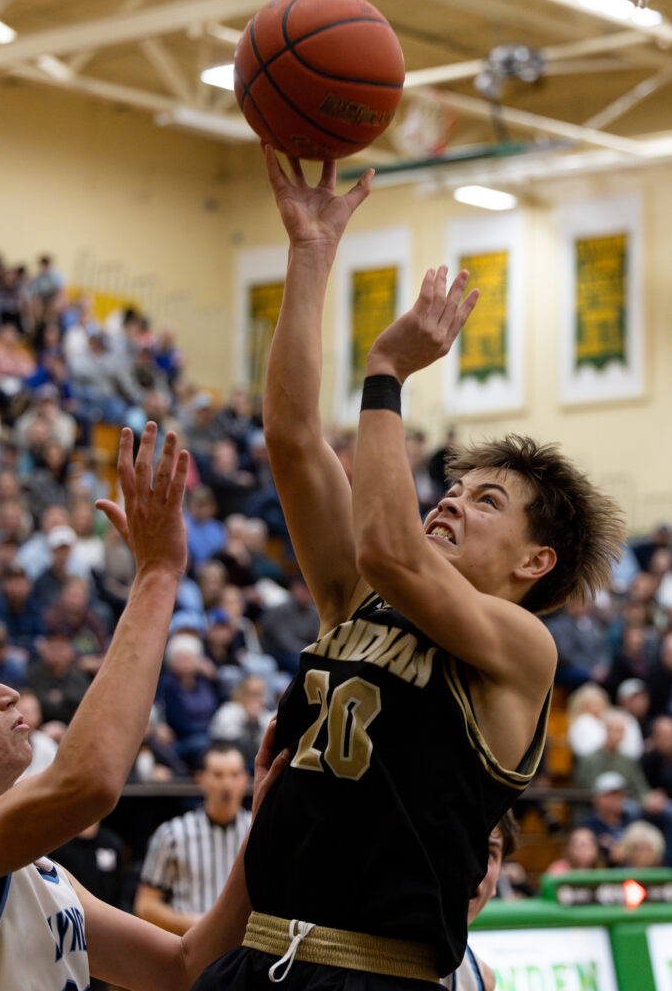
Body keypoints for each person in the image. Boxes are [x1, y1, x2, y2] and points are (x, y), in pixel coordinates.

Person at [193, 148, 625, 990]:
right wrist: (310, 255)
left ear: (537, 562)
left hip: (377, 974)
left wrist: (386, 373)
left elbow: (391, 550)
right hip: (257, 956)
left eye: (488, 500)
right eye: (454, 487)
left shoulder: (520, 650)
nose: (452, 502)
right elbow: (288, 438)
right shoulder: (359, 596)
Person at [0, 423, 287, 991]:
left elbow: (184, 967)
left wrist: (263, 828)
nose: (6, 692)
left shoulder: (43, 874)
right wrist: (156, 575)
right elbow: (90, 782)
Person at [135, 744, 253, 934]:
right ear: (201, 779)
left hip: (245, 951)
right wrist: (200, 926)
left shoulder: (258, 831)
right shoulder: (172, 834)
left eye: (234, 775)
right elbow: (145, 905)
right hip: (191, 947)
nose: (227, 784)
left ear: (245, 779)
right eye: (218, 775)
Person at [440, 813, 519, 991]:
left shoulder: (483, 980)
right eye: (460, 846)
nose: (475, 869)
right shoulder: (371, 959)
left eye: (490, 854)